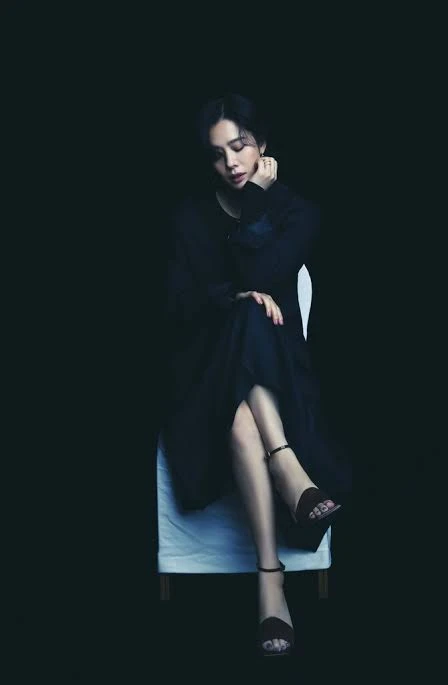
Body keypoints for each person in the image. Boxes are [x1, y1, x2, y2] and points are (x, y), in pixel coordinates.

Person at [160, 93, 351, 656]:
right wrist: (235, 297)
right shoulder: (190, 216)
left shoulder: (298, 212)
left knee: (245, 406)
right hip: (204, 380)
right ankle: (288, 469)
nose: (231, 163)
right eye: (218, 154)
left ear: (262, 144)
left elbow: (264, 269)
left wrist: (259, 203)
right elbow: (178, 307)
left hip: (281, 380)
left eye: (240, 147)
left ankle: (271, 584)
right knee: (245, 309)